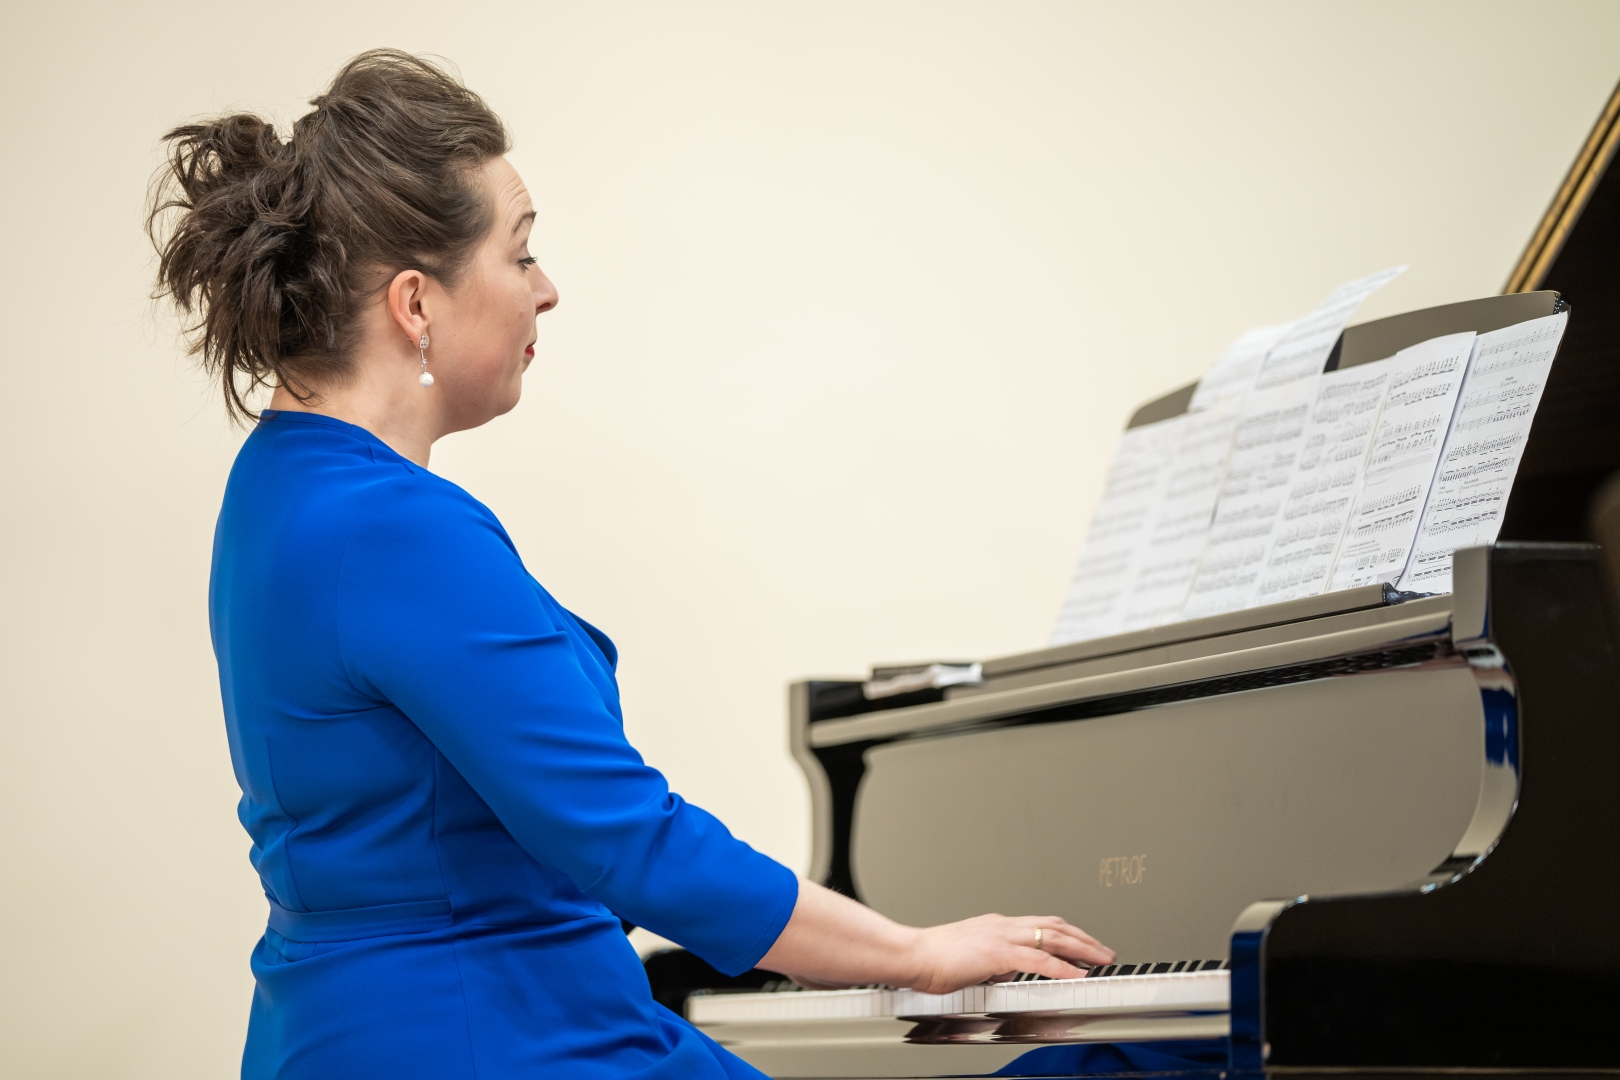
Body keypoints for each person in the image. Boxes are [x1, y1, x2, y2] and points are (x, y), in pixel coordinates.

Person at [148, 49, 1113, 1079]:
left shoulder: (275, 484)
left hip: (339, 1031)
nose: (546, 290)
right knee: (1125, 1066)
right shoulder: (393, 528)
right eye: (522, 254)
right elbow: (626, 840)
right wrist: (915, 954)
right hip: (502, 1037)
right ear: (416, 305)